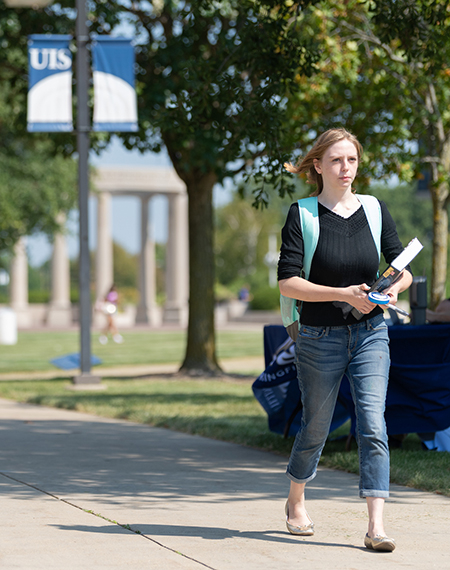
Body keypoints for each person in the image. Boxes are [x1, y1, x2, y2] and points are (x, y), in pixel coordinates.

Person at [278, 128, 412, 552]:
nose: (346, 169)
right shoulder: (302, 214)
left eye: (352, 160)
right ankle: (295, 500)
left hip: (371, 333)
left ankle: (376, 526)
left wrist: (393, 290)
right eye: (336, 161)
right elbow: (288, 284)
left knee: (373, 424)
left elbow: (401, 267)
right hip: (320, 337)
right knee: (316, 426)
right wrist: (342, 293)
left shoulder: (374, 210)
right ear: (318, 166)